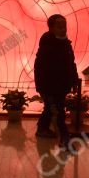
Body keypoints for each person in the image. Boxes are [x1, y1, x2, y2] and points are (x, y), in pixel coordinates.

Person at [34, 14, 78, 149]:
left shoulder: (65, 43)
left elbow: (71, 63)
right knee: (58, 112)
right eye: (59, 26)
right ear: (51, 28)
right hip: (50, 86)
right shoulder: (47, 45)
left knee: (51, 109)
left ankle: (42, 128)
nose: (63, 29)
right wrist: (45, 89)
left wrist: (74, 80)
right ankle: (65, 138)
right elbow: (41, 69)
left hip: (62, 85)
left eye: (64, 26)